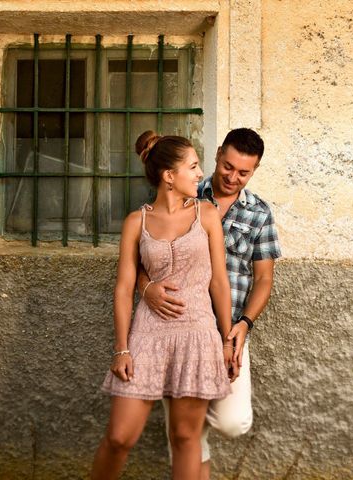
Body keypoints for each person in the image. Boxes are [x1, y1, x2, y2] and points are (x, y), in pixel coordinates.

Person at [91, 131, 237, 480]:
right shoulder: (135, 222)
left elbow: (219, 282)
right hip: (147, 334)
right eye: (193, 166)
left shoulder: (207, 216)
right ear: (168, 176)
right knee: (118, 437)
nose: (200, 174)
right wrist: (121, 348)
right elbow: (125, 287)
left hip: (198, 333)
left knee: (186, 437)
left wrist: (227, 338)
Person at [138, 128, 282, 479]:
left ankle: (193, 411)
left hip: (228, 329)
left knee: (233, 421)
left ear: (255, 170)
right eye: (227, 166)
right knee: (185, 437)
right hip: (179, 326)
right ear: (217, 155)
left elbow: (264, 279)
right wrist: (147, 289)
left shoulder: (259, 213)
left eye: (243, 172)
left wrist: (242, 327)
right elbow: (141, 260)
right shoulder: (184, 189)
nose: (232, 177)